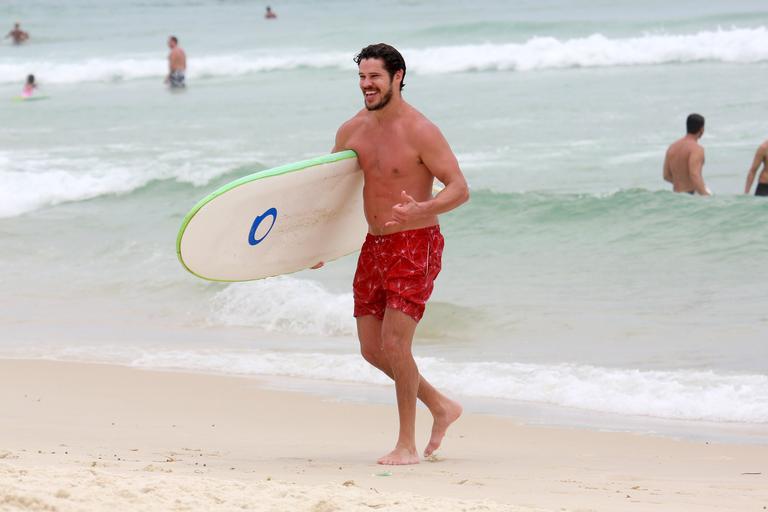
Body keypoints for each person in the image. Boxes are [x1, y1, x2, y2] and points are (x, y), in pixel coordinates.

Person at [330, 43, 469, 465]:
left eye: (374, 77)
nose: (366, 85)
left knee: (394, 343)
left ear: (398, 76)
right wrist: (318, 243)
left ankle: (406, 444)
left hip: (415, 243)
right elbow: (332, 192)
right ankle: (441, 406)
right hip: (373, 244)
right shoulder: (351, 130)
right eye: (362, 78)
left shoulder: (420, 130)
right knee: (371, 349)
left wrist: (424, 208)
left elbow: (460, 188)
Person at [663, 113, 710, 196]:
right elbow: (694, 174)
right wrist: (705, 195)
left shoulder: (672, 147)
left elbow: (666, 175)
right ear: (702, 129)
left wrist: (681, 182)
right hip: (692, 195)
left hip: (676, 196)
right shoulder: (697, 149)